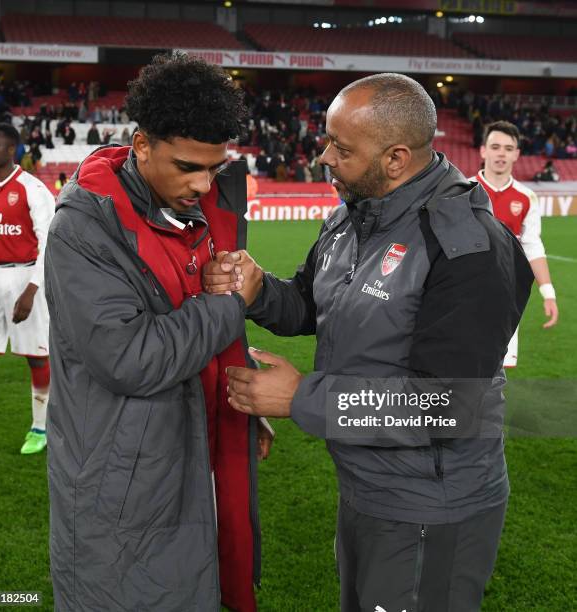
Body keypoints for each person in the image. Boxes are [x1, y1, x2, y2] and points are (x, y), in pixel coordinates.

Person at [204, 74, 534, 611]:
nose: (325, 157)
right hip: (368, 488)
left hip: (431, 505)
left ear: (396, 158)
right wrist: (260, 290)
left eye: (342, 147)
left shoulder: (467, 247)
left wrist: (299, 398)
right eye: (329, 140)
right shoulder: (351, 216)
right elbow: (314, 307)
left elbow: (447, 405)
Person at [45, 53, 271, 612]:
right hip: (119, 486)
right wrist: (228, 306)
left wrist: (237, 404)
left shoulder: (196, 210)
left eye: (214, 168)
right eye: (188, 166)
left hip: (189, 456)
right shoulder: (83, 225)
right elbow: (130, 357)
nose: (203, 183)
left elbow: (187, 323)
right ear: (141, 145)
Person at [0, 123, 55, 454]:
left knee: (36, 358)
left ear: (11, 151)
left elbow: (49, 244)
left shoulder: (33, 189)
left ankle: (40, 428)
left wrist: (33, 290)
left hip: (26, 277)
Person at [476, 121, 558, 367]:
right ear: (483, 150)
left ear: (517, 154)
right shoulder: (463, 190)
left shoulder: (526, 197)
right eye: (496, 146)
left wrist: (548, 294)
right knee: (461, 366)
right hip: (465, 290)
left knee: (497, 371)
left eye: (508, 148)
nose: (501, 153)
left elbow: (533, 246)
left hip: (506, 292)